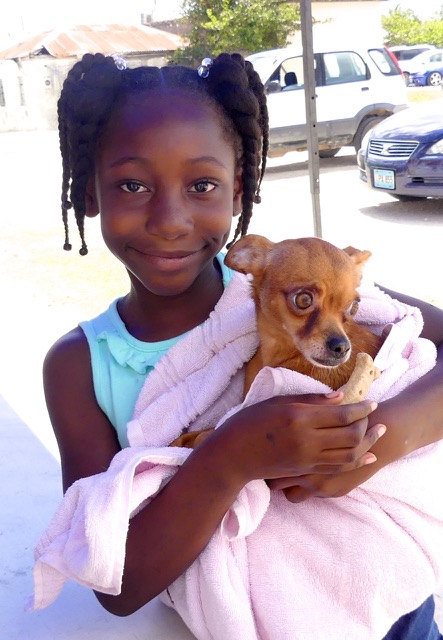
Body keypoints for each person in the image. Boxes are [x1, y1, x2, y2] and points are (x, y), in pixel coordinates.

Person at [43, 51, 443, 639]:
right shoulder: (79, 366)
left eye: (202, 184)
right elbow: (114, 581)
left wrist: (369, 449)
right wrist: (232, 457)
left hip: (393, 607)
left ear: (238, 191)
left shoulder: (302, 281)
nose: (170, 219)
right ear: (89, 192)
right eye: (132, 184)